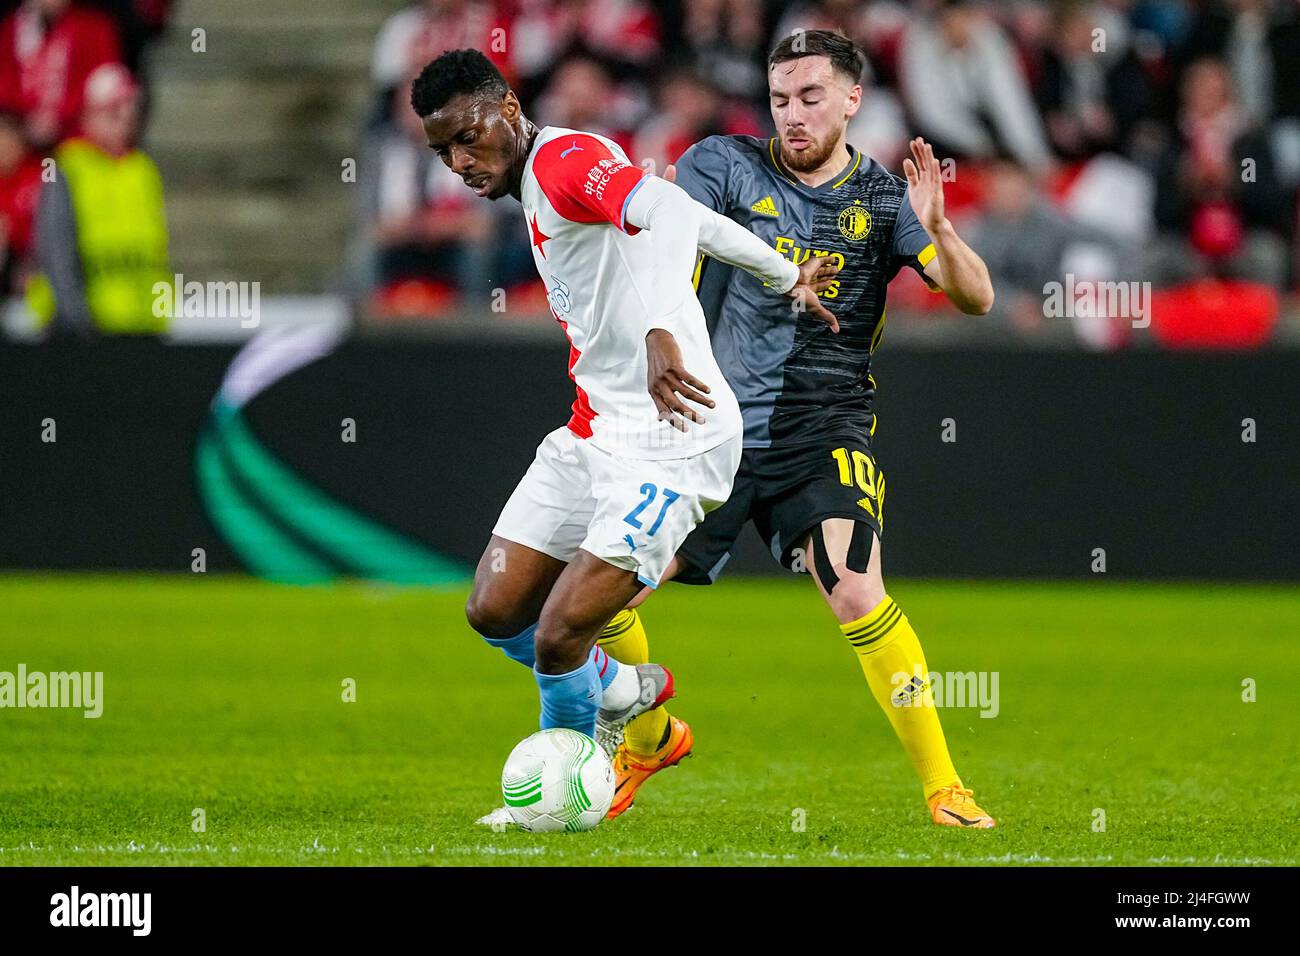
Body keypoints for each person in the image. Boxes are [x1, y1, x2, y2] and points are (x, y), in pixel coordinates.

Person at [407, 48, 838, 824]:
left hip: (677, 437)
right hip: (593, 430)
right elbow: (695, 218)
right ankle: (620, 688)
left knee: (561, 633)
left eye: (468, 137)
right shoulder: (540, 181)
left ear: (508, 106)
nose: (461, 162)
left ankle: (562, 791)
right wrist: (782, 272)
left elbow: (668, 215)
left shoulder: (568, 159)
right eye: (444, 151)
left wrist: (659, 330)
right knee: (494, 610)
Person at [614, 30, 1000, 829]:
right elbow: (669, 259)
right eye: (781, 98)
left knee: (857, 590)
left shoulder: (887, 201)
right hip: (709, 429)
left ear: (853, 99)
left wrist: (944, 229)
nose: (793, 114)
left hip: (821, 433)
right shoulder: (723, 165)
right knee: (597, 601)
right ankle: (649, 736)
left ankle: (945, 788)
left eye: (812, 97)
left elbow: (978, 299)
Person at [27, 62, 169, 336]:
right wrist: (78, 321)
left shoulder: (142, 170)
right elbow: (56, 251)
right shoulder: (67, 168)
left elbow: (156, 252)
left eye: (130, 111)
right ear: (88, 116)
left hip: (139, 325)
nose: (125, 121)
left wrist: (158, 317)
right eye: (113, 112)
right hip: (80, 331)